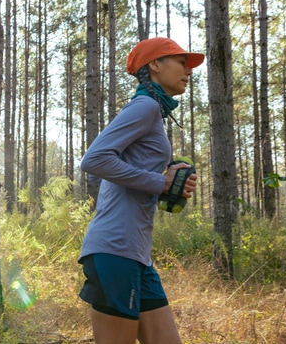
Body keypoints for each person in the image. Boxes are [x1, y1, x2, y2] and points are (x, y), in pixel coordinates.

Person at [77, 37, 203, 343]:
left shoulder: (152, 110)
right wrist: (161, 182)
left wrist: (167, 184)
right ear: (155, 65)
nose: (189, 71)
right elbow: (94, 160)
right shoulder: (145, 105)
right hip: (114, 248)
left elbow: (129, 172)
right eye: (181, 62)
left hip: (136, 254)